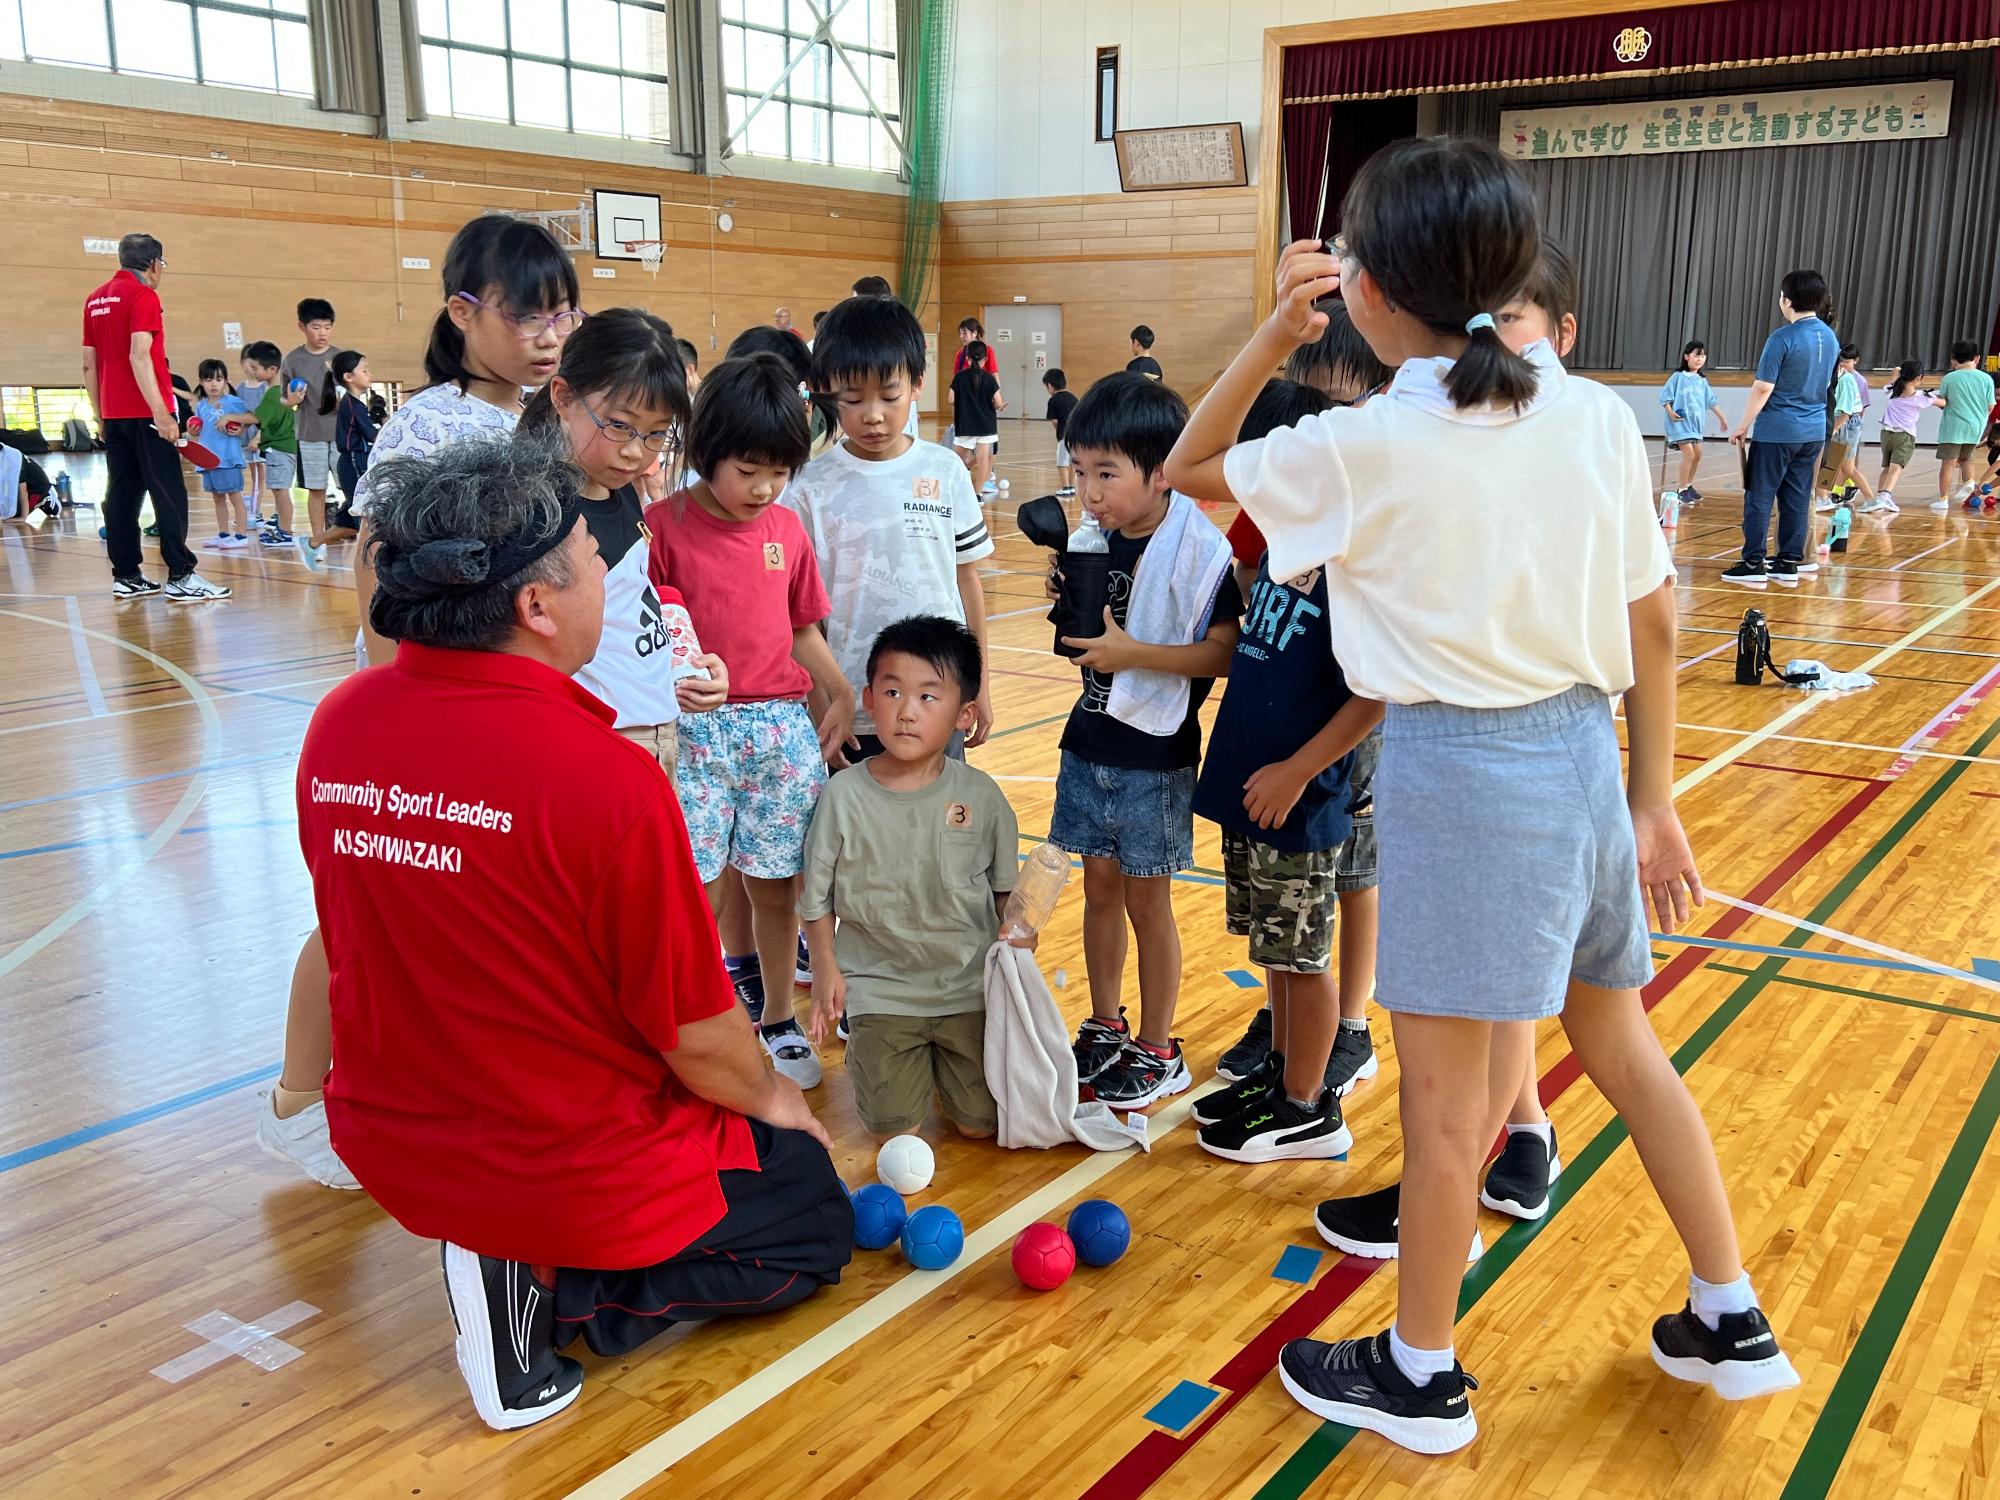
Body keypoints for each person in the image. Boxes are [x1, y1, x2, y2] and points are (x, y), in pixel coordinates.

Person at [1166, 136, 1797, 1455]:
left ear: (1375, 292)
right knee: (1624, 1051)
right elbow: (1657, 624)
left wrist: (1275, 329)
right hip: (1581, 759)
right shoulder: (1592, 417)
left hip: (1466, 771)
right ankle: (1728, 1311)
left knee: (1449, 1106)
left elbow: (1190, 463)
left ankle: (1422, 1371)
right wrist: (1653, 796)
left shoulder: (1372, 441)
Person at [298, 432, 851, 1431]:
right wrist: (777, 1100)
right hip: (541, 1150)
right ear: (535, 606)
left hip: (387, 1129)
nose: (614, 580)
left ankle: (503, 1245)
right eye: (597, 566)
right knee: (809, 1212)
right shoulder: (603, 780)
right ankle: (549, 1290)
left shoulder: (339, 726)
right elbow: (693, 1033)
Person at [256, 214, 581, 1190]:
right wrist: (405, 692)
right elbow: (376, 558)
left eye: (562, 311)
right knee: (368, 909)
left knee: (487, 919)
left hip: (522, 706)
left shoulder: (551, 416)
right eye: (526, 313)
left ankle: (456, 1095)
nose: (547, 331)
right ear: (463, 311)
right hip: (436, 707)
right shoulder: (432, 422)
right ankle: (296, 1102)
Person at [645, 354, 854, 1089]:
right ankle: (696, 1024)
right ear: (707, 452)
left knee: (777, 889)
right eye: (747, 468)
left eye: (779, 471)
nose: (763, 487)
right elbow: (653, 636)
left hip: (780, 734)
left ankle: (773, 1016)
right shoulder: (660, 529)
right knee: (695, 893)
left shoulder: (787, 531)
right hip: (696, 737)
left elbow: (801, 629)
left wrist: (841, 691)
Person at [1191, 378, 1382, 1165]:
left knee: (1302, 961)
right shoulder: (1278, 545)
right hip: (1257, 790)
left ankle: (1311, 1106)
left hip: (1300, 799)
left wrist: (1300, 771)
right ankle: (1280, 1077)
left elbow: (1374, 694)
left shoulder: (1356, 562)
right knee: (1273, 953)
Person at [1051, 372, 1241, 1108]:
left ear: (1160, 472)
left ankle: (1159, 1045)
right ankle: (1105, 1023)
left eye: (1107, 474)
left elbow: (1222, 653)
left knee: (1147, 902)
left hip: (1154, 758)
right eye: (1080, 473)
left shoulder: (1196, 552)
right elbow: (1085, 643)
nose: (1091, 492)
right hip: (1087, 743)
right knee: (1098, 889)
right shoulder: (1095, 541)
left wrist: (1135, 655)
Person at [802, 616, 1021, 1139]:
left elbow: (1006, 895)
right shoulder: (842, 797)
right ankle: (881, 1053)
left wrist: (1019, 935)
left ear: (964, 714)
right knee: (891, 1127)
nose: (906, 711)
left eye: (928, 697)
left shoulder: (983, 798)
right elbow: (814, 900)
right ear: (868, 700)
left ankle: (944, 1066)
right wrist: (826, 973)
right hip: (880, 993)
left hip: (966, 991)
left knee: (979, 1127)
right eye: (893, 691)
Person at [522, 306, 727, 782]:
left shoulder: (622, 494)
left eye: (657, 433)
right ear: (563, 396)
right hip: (600, 741)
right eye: (619, 425)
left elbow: (631, 606)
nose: (637, 450)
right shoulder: (546, 516)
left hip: (658, 730)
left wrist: (682, 666)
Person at [790, 294, 997, 758]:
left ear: (917, 384)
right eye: (853, 399)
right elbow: (803, 614)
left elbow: (967, 581)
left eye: (889, 395)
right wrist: (821, 700)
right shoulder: (809, 487)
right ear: (827, 391)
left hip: (938, 700)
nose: (873, 415)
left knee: (940, 828)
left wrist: (977, 681)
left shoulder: (945, 471)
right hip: (853, 709)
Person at [80, 232, 230, 601]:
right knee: (169, 494)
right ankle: (181, 575)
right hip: (148, 415)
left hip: (114, 416)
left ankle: (127, 574)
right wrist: (161, 414)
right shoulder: (143, 295)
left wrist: (101, 415)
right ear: (153, 264)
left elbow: (89, 364)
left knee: (121, 495)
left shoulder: (94, 299)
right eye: (163, 264)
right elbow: (139, 355)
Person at [1724, 270, 1841, 587]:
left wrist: (1742, 426)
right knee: (1797, 496)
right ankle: (1789, 562)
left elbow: (1763, 388)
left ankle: (1752, 563)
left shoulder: (1782, 338)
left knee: (1760, 497)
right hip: (1813, 431)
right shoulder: (1830, 337)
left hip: (1778, 431)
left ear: (1786, 300)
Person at [281, 297, 352, 564]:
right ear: (302, 326)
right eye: (316, 327)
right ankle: (317, 541)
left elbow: (355, 391)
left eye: (327, 327)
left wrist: (343, 394)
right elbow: (284, 399)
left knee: (351, 488)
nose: (322, 333)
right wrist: (291, 402)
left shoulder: (340, 358)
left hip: (341, 435)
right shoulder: (293, 360)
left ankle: (359, 535)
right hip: (310, 435)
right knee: (316, 489)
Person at [240, 341, 298, 548]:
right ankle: (283, 530)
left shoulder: (274, 393)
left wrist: (229, 417)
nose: (252, 372)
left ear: (272, 369)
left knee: (281, 491)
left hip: (280, 449)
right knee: (279, 490)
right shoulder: (282, 390)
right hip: (283, 448)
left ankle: (285, 532)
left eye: (256, 368)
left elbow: (256, 418)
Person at [194, 359, 252, 551]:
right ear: (201, 382)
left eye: (218, 379)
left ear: (226, 381)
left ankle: (241, 535)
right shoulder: (201, 406)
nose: (213, 384)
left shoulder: (233, 402)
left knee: (235, 497)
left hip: (227, 459)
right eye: (208, 379)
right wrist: (192, 431)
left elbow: (251, 418)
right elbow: (199, 430)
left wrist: (242, 429)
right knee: (217, 498)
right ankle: (223, 534)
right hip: (207, 460)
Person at [1864, 360, 1933, 514]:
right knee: (1896, 468)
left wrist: (1895, 374)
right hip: (1904, 436)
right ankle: (1885, 496)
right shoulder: (1920, 396)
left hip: (1886, 434)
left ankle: (1880, 496)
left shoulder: (1892, 389)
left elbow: (1893, 379)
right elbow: (1940, 402)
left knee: (1887, 467)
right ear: (1919, 378)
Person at [1660, 341, 1723, 510]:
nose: (1700, 359)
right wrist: (1670, 411)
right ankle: (1681, 489)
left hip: (1696, 426)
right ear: (1686, 356)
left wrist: (1722, 418)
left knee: (1698, 453)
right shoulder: (1678, 377)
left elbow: (1711, 401)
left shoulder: (1702, 381)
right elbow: (1665, 396)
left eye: (1703, 356)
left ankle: (1688, 485)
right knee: (1688, 453)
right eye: (1696, 355)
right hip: (1680, 424)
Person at [1814, 345, 1875, 512]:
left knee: (1838, 465)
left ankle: (1870, 500)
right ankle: (1823, 497)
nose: (1842, 364)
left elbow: (1847, 412)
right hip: (1841, 423)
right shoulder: (1837, 378)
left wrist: (1832, 429)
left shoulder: (1847, 380)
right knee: (1835, 465)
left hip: (1845, 425)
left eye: (1845, 362)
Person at [1937, 340, 1996, 510]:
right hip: (1976, 427)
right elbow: (1990, 406)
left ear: (1953, 359)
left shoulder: (1949, 378)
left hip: (1953, 428)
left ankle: (1943, 500)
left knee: (1948, 464)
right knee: (1967, 460)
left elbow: (1943, 402)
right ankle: (1969, 482)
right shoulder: (1986, 378)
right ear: (1977, 358)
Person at [325, 350, 377, 534]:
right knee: (366, 512)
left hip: (353, 461)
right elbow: (373, 436)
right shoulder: (353, 406)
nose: (369, 375)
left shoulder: (355, 404)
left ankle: (311, 544)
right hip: (355, 461)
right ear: (348, 377)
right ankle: (370, 559)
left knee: (351, 517)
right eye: (364, 371)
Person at [948, 338, 1004, 496]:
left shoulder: (959, 377)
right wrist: (996, 405)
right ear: (985, 360)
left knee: (955, 458)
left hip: (966, 425)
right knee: (983, 458)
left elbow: (950, 399)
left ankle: (951, 488)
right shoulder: (990, 379)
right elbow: (998, 402)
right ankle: (978, 493)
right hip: (986, 426)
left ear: (967, 358)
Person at [237, 352, 271, 528]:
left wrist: (258, 437)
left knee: (259, 475)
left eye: (255, 365)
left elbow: (266, 416)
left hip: (258, 438)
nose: (251, 369)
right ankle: (250, 510)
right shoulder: (240, 388)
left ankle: (255, 512)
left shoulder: (264, 387)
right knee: (252, 474)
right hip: (244, 438)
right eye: (249, 364)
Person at [1044, 367, 1078, 496]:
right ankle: (1072, 486)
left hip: (1064, 435)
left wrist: (1059, 431)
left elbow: (1054, 421)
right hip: (1076, 435)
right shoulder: (1073, 398)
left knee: (1062, 463)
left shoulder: (1053, 400)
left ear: (1050, 386)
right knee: (1072, 462)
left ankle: (1065, 488)